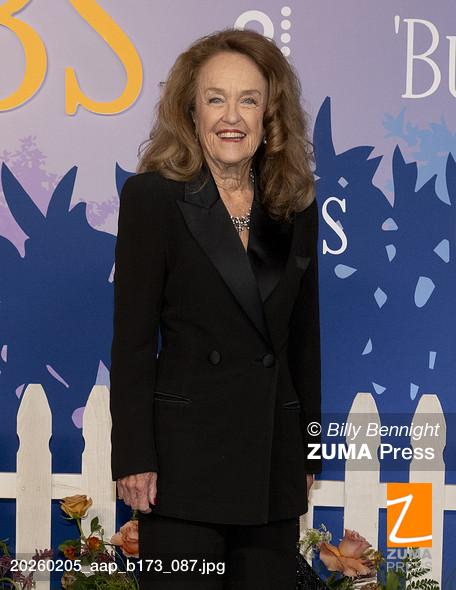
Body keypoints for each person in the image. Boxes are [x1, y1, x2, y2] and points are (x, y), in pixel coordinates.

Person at [109, 27, 322, 590]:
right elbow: (132, 342)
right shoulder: (153, 197)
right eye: (215, 99)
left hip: (271, 463)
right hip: (182, 469)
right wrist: (133, 455)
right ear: (191, 110)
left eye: (248, 100)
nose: (232, 116)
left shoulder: (294, 204)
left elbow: (305, 341)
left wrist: (309, 453)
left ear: (269, 115)